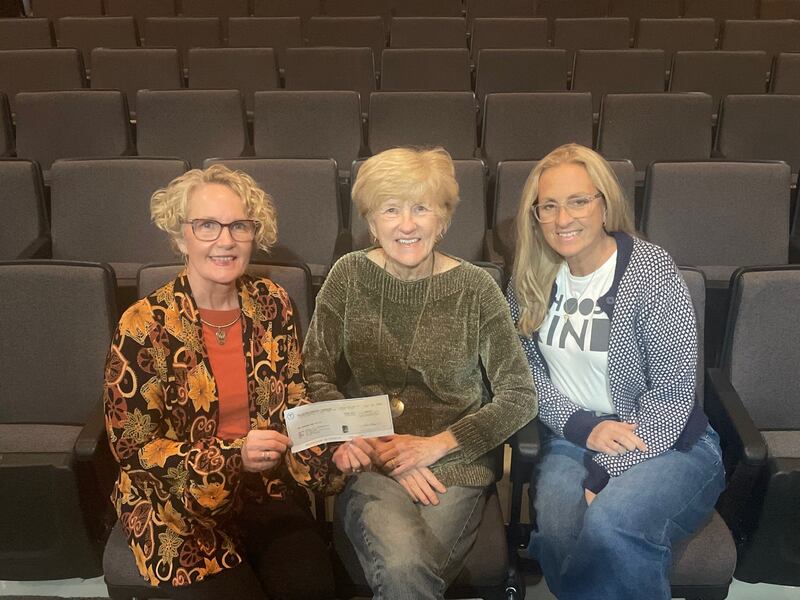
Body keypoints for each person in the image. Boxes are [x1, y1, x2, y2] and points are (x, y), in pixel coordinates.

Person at [302, 146, 538, 599]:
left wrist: (435, 447)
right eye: (391, 210)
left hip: (454, 466)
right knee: (404, 566)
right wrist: (367, 443)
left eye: (420, 209)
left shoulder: (476, 288)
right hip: (371, 461)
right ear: (372, 222)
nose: (406, 224)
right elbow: (314, 371)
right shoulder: (348, 276)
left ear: (443, 219)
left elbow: (518, 394)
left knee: (404, 571)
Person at [103, 165, 341, 600]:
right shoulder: (143, 324)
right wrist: (233, 456)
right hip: (177, 509)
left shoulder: (273, 303)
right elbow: (133, 449)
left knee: (314, 588)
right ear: (181, 237)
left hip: (266, 491)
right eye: (207, 225)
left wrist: (338, 448)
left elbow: (295, 399)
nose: (225, 240)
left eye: (239, 226)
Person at [506, 143, 726, 599]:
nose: (563, 218)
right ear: (536, 216)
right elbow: (523, 371)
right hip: (571, 438)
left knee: (611, 522)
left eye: (578, 201)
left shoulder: (650, 270)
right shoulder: (529, 277)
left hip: (669, 443)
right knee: (562, 529)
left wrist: (605, 471)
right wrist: (584, 429)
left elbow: (674, 390)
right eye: (549, 206)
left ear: (604, 203)